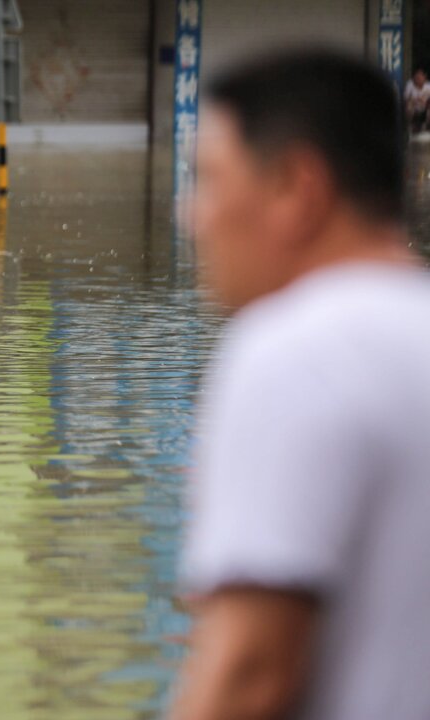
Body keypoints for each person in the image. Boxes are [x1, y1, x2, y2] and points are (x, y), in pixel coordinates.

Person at [170, 49, 430, 720]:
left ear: (296, 188)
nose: (189, 216)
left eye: (209, 182)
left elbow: (250, 672)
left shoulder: (295, 352)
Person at [404, 68, 430, 133]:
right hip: (414, 110)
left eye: (419, 76)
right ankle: (408, 128)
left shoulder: (428, 86)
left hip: (424, 109)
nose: (417, 78)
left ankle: (427, 129)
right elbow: (405, 99)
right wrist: (414, 100)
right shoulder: (410, 84)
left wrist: (426, 102)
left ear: (424, 77)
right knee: (409, 106)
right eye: (416, 76)